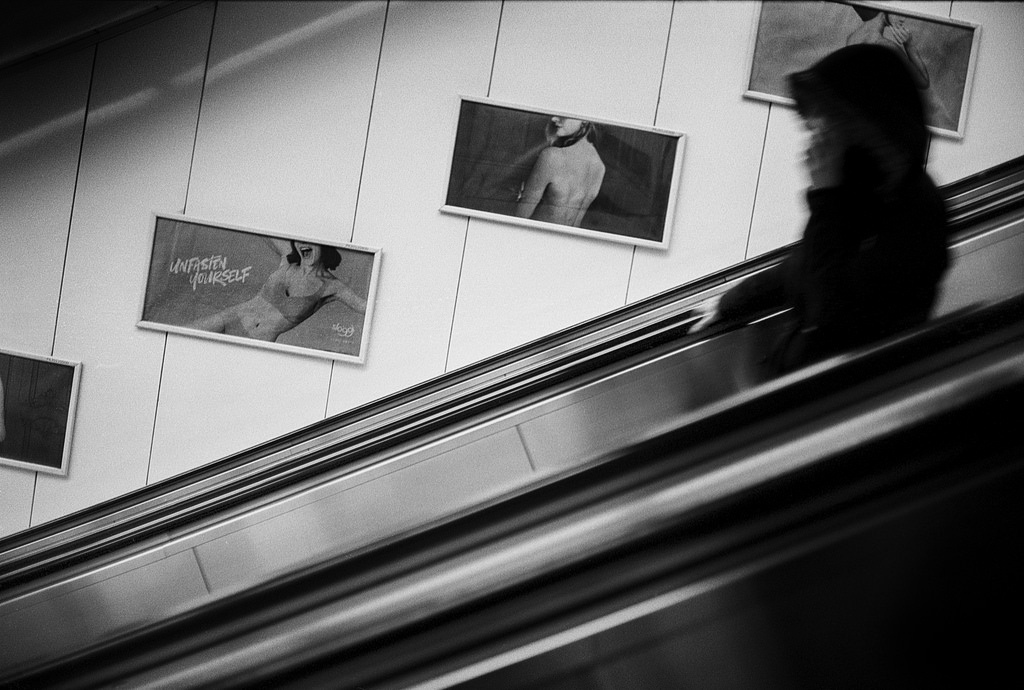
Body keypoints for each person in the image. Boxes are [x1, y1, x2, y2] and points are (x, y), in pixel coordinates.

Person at [693, 43, 949, 377]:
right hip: (805, 384)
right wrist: (731, 302)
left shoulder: (915, 209)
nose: (819, 137)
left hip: (843, 400)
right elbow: (803, 266)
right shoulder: (868, 191)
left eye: (833, 121)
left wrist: (825, 196)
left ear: (868, 122)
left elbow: (831, 315)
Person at [190, 238, 366, 342]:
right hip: (229, 318)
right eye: (299, 239)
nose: (302, 243)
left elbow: (367, 307)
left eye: (310, 240)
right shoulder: (288, 260)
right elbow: (263, 228)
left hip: (259, 341)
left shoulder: (333, 287)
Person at [514, 116, 606, 227]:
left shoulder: (551, 156)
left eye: (564, 115)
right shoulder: (599, 166)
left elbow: (520, 217)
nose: (554, 119)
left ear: (584, 119)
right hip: (566, 242)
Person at [847, 9, 930, 90]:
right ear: (885, 8)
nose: (903, 19)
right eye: (900, 11)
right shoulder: (888, 47)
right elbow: (923, 82)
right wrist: (909, 44)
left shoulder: (851, 38)